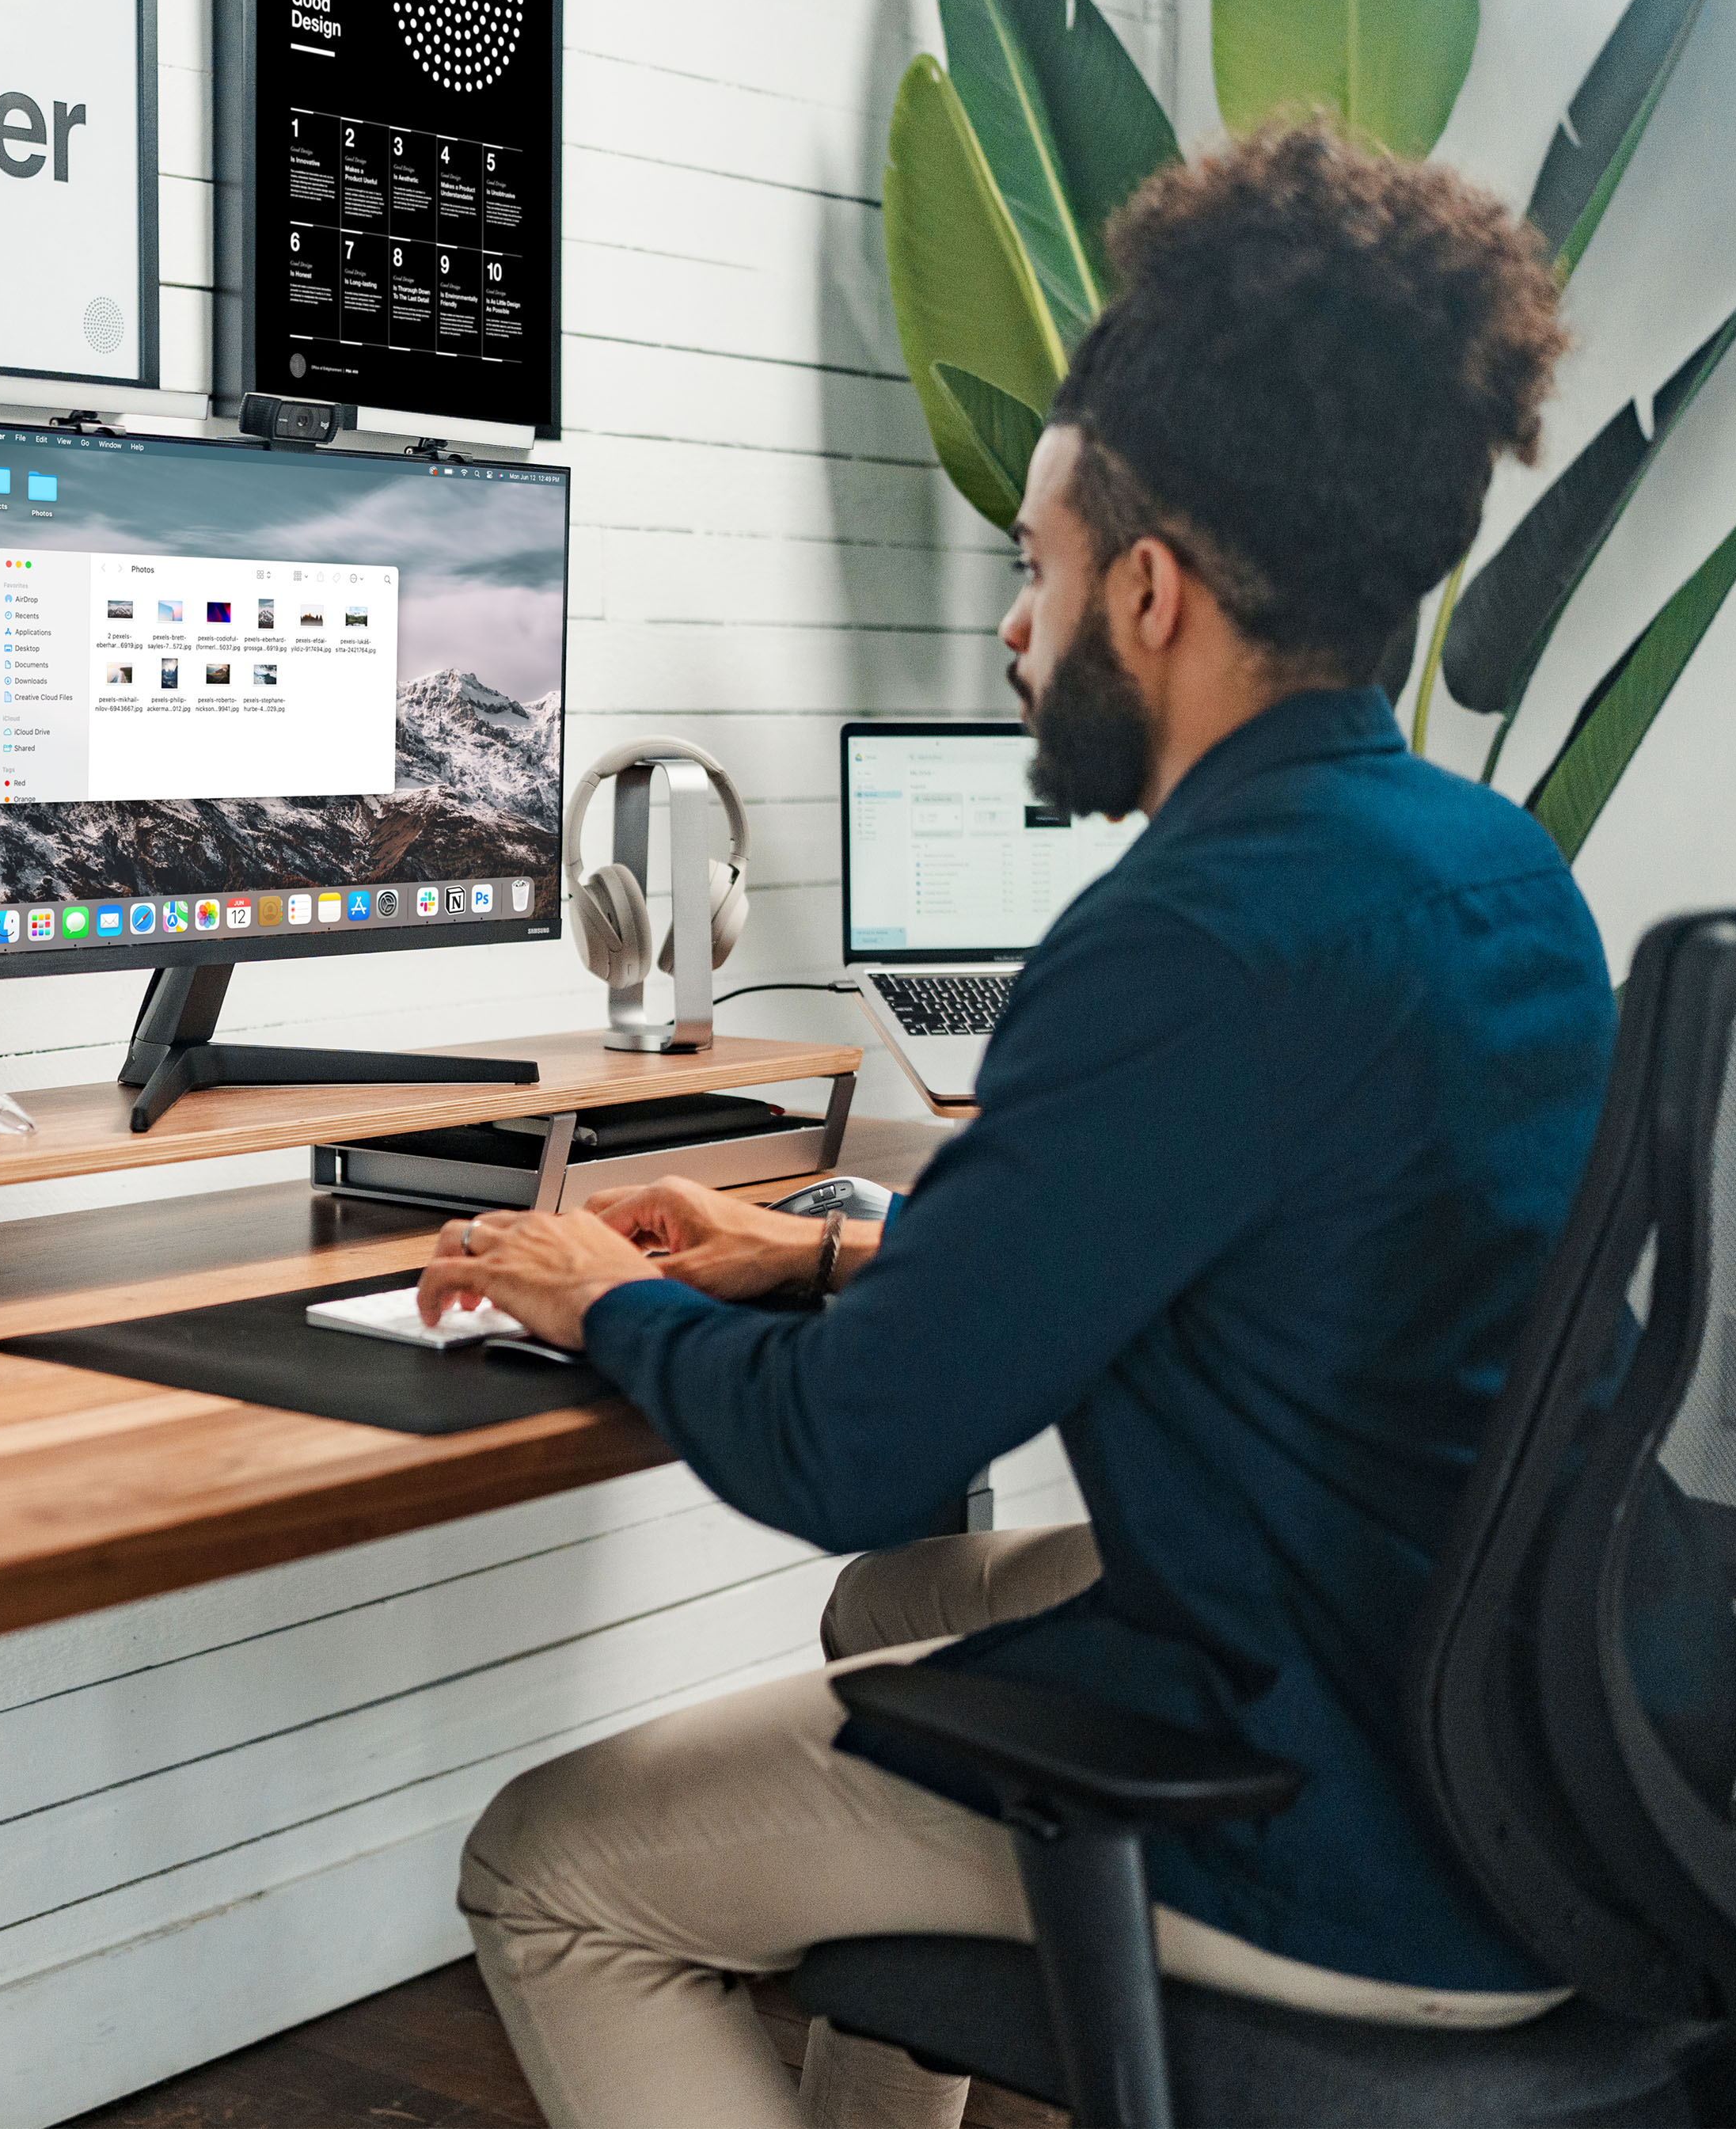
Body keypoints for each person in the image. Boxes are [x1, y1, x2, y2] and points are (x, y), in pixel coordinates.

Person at [416, 124, 1602, 2129]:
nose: (1009, 631)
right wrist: (839, 1252)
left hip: (1347, 1837)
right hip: (1535, 1758)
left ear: (1145, 593)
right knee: (905, 1615)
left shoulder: (1187, 940)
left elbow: (847, 1446)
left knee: (552, 1872)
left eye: (1033, 569)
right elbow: (1281, 1259)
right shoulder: (1490, 869)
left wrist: (589, 1292)